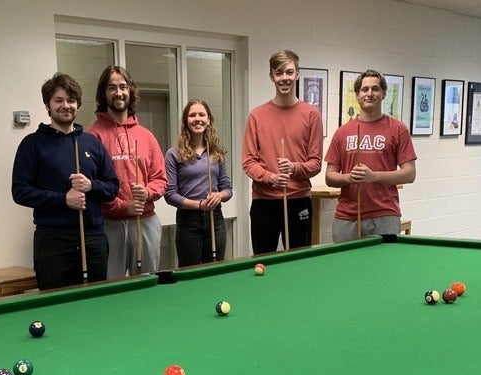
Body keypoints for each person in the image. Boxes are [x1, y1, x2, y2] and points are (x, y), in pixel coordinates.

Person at [11, 72, 119, 290]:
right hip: (53, 241)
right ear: (48, 105)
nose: (65, 106)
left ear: (78, 105)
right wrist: (63, 199)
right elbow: (20, 191)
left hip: (93, 239)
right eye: (58, 100)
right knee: (55, 302)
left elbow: (112, 187)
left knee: (96, 302)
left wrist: (91, 185)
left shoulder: (92, 143)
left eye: (71, 100)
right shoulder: (32, 144)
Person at [86, 65, 168, 278]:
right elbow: (92, 186)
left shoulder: (146, 136)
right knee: (111, 287)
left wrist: (147, 192)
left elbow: (160, 179)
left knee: (148, 285)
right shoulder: (93, 136)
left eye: (123, 87)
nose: (118, 92)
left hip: (145, 221)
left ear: (130, 91)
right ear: (103, 93)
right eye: (112, 87)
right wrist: (123, 206)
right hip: (109, 225)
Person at [241, 49, 323, 254]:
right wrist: (270, 178)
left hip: (298, 199)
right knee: (263, 262)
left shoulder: (312, 114)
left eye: (289, 72)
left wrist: (294, 168)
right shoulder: (257, 115)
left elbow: (315, 163)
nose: (284, 78)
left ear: (297, 74)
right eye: (278, 73)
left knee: (299, 263)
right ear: (271, 76)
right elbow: (248, 162)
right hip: (264, 202)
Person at [324, 70, 417, 243]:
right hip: (347, 217)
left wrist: (373, 176)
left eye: (375, 89)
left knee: (386, 261)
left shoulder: (398, 129)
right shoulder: (342, 132)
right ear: (357, 95)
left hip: (385, 216)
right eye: (365, 89)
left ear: (384, 94)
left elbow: (410, 174)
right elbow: (330, 176)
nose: (369, 93)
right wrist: (349, 178)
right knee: (346, 261)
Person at [164, 99, 233, 267]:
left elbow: (227, 189)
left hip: (215, 219)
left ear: (208, 119)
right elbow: (170, 195)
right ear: (186, 121)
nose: (197, 119)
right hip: (188, 221)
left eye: (202, 114)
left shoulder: (216, 153)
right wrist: (200, 205)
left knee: (215, 271)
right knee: (190, 272)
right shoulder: (173, 154)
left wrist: (219, 196)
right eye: (192, 115)